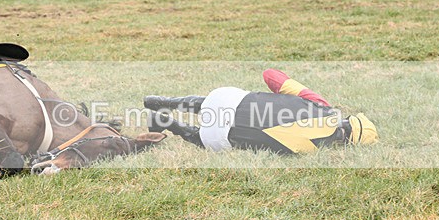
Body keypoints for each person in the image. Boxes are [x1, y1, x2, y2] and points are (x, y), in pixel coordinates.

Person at [144, 69, 377, 154]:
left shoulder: (321, 105)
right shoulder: (313, 152)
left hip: (228, 101)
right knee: (204, 137)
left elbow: (270, 74)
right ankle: (170, 124)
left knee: (215, 102)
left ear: (348, 120)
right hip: (218, 138)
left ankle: (168, 102)